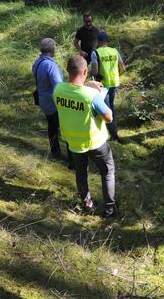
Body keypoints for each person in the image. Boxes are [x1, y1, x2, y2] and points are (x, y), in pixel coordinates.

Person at [54, 56, 118, 218]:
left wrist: (88, 84)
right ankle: (109, 209)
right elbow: (108, 117)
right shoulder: (91, 96)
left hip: (74, 142)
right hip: (96, 142)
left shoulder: (58, 90)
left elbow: (74, 89)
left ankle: (86, 203)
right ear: (85, 71)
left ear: (67, 70)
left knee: (81, 172)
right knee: (107, 172)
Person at [33, 38, 74, 166]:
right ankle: (73, 161)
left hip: (44, 101)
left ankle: (55, 152)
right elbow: (58, 87)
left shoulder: (37, 63)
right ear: (52, 50)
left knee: (52, 126)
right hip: (55, 103)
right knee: (67, 130)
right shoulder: (50, 65)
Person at [90, 31, 125, 141]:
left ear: (98, 41)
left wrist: (87, 73)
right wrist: (117, 76)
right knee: (111, 107)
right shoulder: (114, 51)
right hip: (114, 83)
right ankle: (112, 130)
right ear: (107, 41)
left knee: (105, 109)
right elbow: (123, 68)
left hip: (102, 85)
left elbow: (95, 71)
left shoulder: (95, 53)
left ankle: (113, 135)